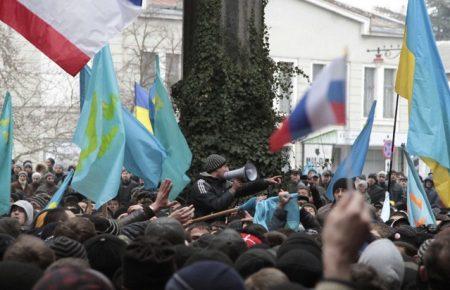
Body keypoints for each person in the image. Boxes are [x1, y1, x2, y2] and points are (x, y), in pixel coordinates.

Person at [191, 154, 281, 217]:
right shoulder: (201, 184)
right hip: (203, 226)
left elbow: (246, 188)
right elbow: (215, 206)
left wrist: (266, 182)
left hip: (219, 224)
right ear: (216, 169)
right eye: (225, 166)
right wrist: (233, 189)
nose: (228, 169)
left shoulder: (224, 183)